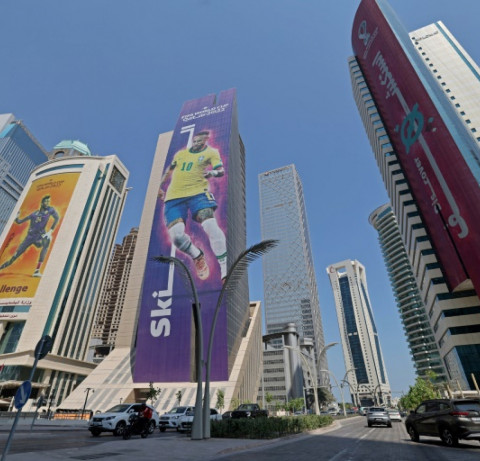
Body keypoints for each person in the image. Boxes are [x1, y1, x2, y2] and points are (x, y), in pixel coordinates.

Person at [158, 130, 227, 282]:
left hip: (198, 194)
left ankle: (225, 267)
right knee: (176, 237)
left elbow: (221, 171)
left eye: (199, 142)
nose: (195, 144)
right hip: (174, 197)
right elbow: (169, 170)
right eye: (194, 141)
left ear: (205, 141)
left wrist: (212, 174)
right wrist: (160, 186)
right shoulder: (180, 155)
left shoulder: (211, 152)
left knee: (210, 224)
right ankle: (197, 255)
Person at [0, 195, 59, 277]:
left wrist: (50, 231)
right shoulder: (34, 214)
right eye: (46, 201)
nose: (48, 203)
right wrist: (16, 218)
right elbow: (19, 221)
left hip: (39, 237)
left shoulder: (50, 210)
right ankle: (1, 267)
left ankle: (37, 270)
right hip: (29, 237)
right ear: (42, 203)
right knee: (13, 259)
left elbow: (57, 218)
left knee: (47, 241)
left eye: (49, 201)